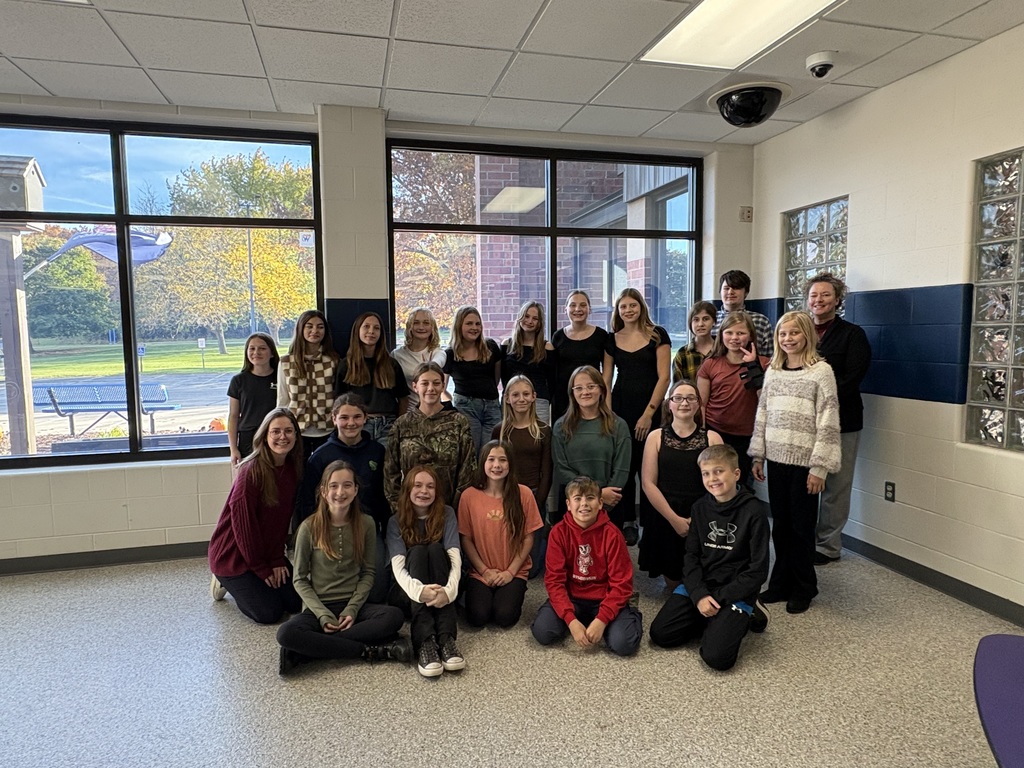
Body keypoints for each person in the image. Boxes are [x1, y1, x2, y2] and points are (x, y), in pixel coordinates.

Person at [277, 461, 410, 674]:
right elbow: (300, 579)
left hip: (353, 605)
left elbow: (368, 573)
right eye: (333, 486)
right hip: (319, 606)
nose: (341, 492)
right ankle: (370, 651)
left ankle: (308, 651)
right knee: (285, 634)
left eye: (347, 485)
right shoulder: (308, 527)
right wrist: (322, 615)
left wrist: (352, 609)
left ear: (356, 490)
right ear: (323, 491)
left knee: (394, 617)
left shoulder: (366, 523)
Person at [649, 444, 770, 671]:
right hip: (703, 584)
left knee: (717, 658)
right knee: (661, 634)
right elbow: (691, 557)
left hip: (734, 591)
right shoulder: (699, 508)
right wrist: (699, 595)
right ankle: (714, 618)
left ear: (736, 474)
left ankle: (745, 614)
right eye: (706, 473)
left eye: (718, 471)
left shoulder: (754, 512)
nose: (712, 478)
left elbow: (758, 570)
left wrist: (720, 598)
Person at [751, 311, 841, 615]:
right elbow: (762, 414)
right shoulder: (773, 371)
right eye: (782, 334)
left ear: (808, 335)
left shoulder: (820, 372)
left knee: (802, 528)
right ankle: (780, 583)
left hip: (805, 465)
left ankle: (805, 587)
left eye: (794, 333)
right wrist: (758, 453)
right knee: (782, 527)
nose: (787, 339)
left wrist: (820, 467)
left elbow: (828, 421)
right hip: (776, 460)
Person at [208, 408, 303, 624]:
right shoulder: (250, 473)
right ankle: (222, 580)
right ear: (264, 436)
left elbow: (280, 523)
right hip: (233, 557)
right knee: (269, 614)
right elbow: (245, 530)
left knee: (295, 603)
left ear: (296, 436)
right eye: (276, 431)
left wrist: (277, 559)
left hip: (265, 552)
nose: (282, 437)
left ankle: (254, 582)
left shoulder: (291, 470)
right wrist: (261, 569)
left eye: (289, 431)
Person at [530, 476, 642, 657]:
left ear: (600, 503)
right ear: (568, 504)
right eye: (577, 499)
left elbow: (622, 584)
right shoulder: (558, 533)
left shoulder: (613, 535)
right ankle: (579, 621)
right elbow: (554, 581)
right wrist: (571, 620)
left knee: (624, 644)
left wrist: (602, 620)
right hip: (572, 597)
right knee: (542, 632)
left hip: (603, 598)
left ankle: (627, 615)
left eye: (590, 498)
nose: (584, 504)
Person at [297, 394, 390, 604]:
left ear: (365, 418)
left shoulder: (377, 451)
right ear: (334, 418)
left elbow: (382, 494)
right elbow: (307, 501)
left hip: (367, 527)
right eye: (344, 417)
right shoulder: (320, 456)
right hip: (330, 528)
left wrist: (386, 528)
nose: (351, 423)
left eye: (357, 417)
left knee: (378, 593)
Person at [807, 273, 872, 565]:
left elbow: (852, 376)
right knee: (805, 484)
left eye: (825, 295)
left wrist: (821, 399)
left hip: (843, 419)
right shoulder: (800, 330)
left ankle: (827, 546)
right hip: (805, 422)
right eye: (814, 295)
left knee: (837, 485)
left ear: (837, 299)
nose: (818, 300)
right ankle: (803, 540)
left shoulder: (852, 334)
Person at [603, 287, 671, 546]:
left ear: (641, 307)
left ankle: (651, 525)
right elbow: (606, 379)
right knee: (624, 466)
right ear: (618, 311)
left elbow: (664, 377)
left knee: (650, 467)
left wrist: (648, 414)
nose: (628, 310)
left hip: (649, 410)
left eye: (633, 305)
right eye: (623, 307)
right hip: (620, 408)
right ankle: (627, 522)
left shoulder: (657, 335)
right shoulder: (611, 339)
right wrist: (608, 415)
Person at [639, 380, 722, 589]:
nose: (684, 403)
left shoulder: (712, 439)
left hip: (702, 513)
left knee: (700, 580)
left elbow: (720, 486)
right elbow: (649, 483)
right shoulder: (655, 437)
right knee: (674, 583)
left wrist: (697, 519)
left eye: (690, 398)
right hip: (665, 514)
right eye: (678, 398)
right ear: (669, 404)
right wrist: (674, 520)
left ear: (698, 404)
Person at [386, 465, 465, 678]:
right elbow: (398, 569)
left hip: (442, 587)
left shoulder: (447, 513)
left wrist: (449, 592)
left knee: (436, 549)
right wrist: (420, 592)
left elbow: (455, 559)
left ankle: (447, 639)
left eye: (430, 486)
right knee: (419, 552)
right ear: (408, 490)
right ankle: (425, 642)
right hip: (407, 592)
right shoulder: (396, 520)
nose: (424, 491)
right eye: (417, 486)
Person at [459, 441, 544, 628]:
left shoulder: (524, 494)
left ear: (510, 464)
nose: (497, 465)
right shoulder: (469, 496)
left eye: (502, 460)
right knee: (477, 617)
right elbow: (466, 539)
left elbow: (529, 538)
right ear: (482, 463)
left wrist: (510, 572)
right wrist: (484, 571)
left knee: (505, 617)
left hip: (513, 571)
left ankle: (508, 593)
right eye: (491, 459)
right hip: (481, 571)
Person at [384, 362, 477, 512]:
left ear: (442, 386)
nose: (430, 388)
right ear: (415, 387)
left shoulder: (459, 422)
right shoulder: (402, 424)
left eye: (436, 383)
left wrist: (453, 510)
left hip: (449, 509)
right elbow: (390, 472)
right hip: (410, 510)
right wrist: (399, 508)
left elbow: (467, 470)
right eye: (425, 383)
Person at [697, 311, 769, 489]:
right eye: (729, 332)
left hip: (747, 437)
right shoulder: (711, 364)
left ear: (750, 335)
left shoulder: (765, 364)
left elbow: (765, 402)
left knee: (740, 485)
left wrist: (753, 366)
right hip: (715, 432)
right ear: (721, 335)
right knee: (714, 484)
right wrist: (703, 434)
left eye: (741, 333)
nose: (734, 338)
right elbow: (701, 404)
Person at [551, 366, 631, 527]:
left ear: (601, 390)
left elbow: (621, 469)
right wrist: (594, 495)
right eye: (578, 388)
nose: (585, 392)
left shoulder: (618, 425)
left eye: (591, 386)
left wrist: (604, 500)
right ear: (572, 393)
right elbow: (562, 468)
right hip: (573, 503)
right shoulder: (561, 427)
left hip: (609, 503)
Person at [491, 375, 552, 577]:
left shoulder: (543, 430)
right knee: (506, 559)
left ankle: (545, 538)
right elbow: (493, 468)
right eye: (515, 395)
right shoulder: (500, 431)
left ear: (534, 396)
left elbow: (547, 470)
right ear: (507, 398)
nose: (521, 399)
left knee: (531, 570)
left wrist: (539, 501)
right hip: (506, 494)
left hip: (534, 495)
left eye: (526, 394)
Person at [335, 311, 410, 446]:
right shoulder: (346, 365)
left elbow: (404, 398)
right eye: (366, 327)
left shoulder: (391, 364)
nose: (371, 331)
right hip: (359, 425)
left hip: (388, 424)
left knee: (387, 466)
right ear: (357, 330)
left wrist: (399, 424)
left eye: (376, 328)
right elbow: (338, 401)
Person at [277, 309, 339, 462]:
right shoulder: (286, 362)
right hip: (297, 430)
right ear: (301, 329)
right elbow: (282, 399)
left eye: (320, 327)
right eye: (309, 326)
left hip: (327, 429)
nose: (314, 331)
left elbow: (338, 396)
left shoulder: (333, 361)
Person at [444, 305, 504, 452]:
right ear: (459, 325)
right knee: (471, 452)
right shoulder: (450, 354)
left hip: (491, 406)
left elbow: (496, 379)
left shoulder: (490, 347)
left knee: (491, 451)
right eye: (469, 323)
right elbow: (442, 387)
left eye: (477, 324)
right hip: (465, 407)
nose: (474, 328)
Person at [551, 290, 608, 421]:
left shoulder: (601, 336)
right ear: (565, 309)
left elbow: (607, 371)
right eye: (572, 305)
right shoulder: (557, 336)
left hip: (591, 395)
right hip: (563, 397)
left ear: (589, 309)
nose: (577, 309)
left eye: (583, 305)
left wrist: (602, 395)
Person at [227, 332, 280, 467]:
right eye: (252, 348)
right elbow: (233, 416)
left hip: (275, 436)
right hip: (248, 439)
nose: (256, 352)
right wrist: (233, 449)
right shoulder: (239, 381)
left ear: (272, 353)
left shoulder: (281, 378)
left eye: (262, 348)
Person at [501, 301, 556, 424]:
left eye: (535, 318)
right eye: (526, 316)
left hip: (539, 401)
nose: (530, 321)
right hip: (512, 401)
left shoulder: (547, 347)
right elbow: (504, 378)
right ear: (520, 317)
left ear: (540, 323)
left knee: (539, 439)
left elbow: (552, 381)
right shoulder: (507, 345)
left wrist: (544, 398)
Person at [392, 307, 448, 411]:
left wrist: (428, 367)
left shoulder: (437, 352)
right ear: (410, 327)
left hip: (433, 412)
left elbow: (436, 364)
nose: (421, 327)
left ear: (432, 328)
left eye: (426, 323)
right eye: (416, 323)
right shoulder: (397, 355)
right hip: (408, 412)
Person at [713, 270, 774, 356]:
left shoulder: (761, 321)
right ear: (720, 291)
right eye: (726, 288)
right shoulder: (711, 319)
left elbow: (769, 357)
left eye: (736, 288)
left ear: (746, 292)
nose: (730, 292)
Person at [671, 301, 717, 384]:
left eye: (706, 319)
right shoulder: (683, 354)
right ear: (690, 324)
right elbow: (677, 387)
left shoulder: (721, 350)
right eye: (696, 320)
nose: (700, 324)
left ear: (713, 322)